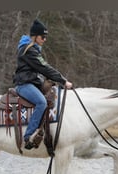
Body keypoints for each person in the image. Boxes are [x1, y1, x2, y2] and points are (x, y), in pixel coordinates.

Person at [13, 19, 73, 150]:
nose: (45, 39)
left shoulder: (33, 48)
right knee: (42, 102)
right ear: (35, 36)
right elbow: (44, 67)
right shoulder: (28, 50)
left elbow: (42, 68)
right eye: (43, 36)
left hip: (32, 83)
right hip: (24, 84)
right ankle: (28, 136)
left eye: (46, 37)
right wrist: (63, 80)